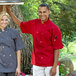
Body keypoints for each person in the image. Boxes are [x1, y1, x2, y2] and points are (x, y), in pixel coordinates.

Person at [7, 3, 63, 76]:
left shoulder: (54, 28)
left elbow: (56, 49)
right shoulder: (34, 23)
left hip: (50, 64)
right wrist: (10, 12)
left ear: (49, 12)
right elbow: (20, 24)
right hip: (37, 64)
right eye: (40, 12)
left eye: (44, 12)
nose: (42, 14)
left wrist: (54, 67)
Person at [0, 11, 25, 76]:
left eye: (6, 20)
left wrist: (18, 67)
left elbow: (18, 50)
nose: (4, 22)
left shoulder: (14, 32)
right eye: (2, 20)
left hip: (12, 65)